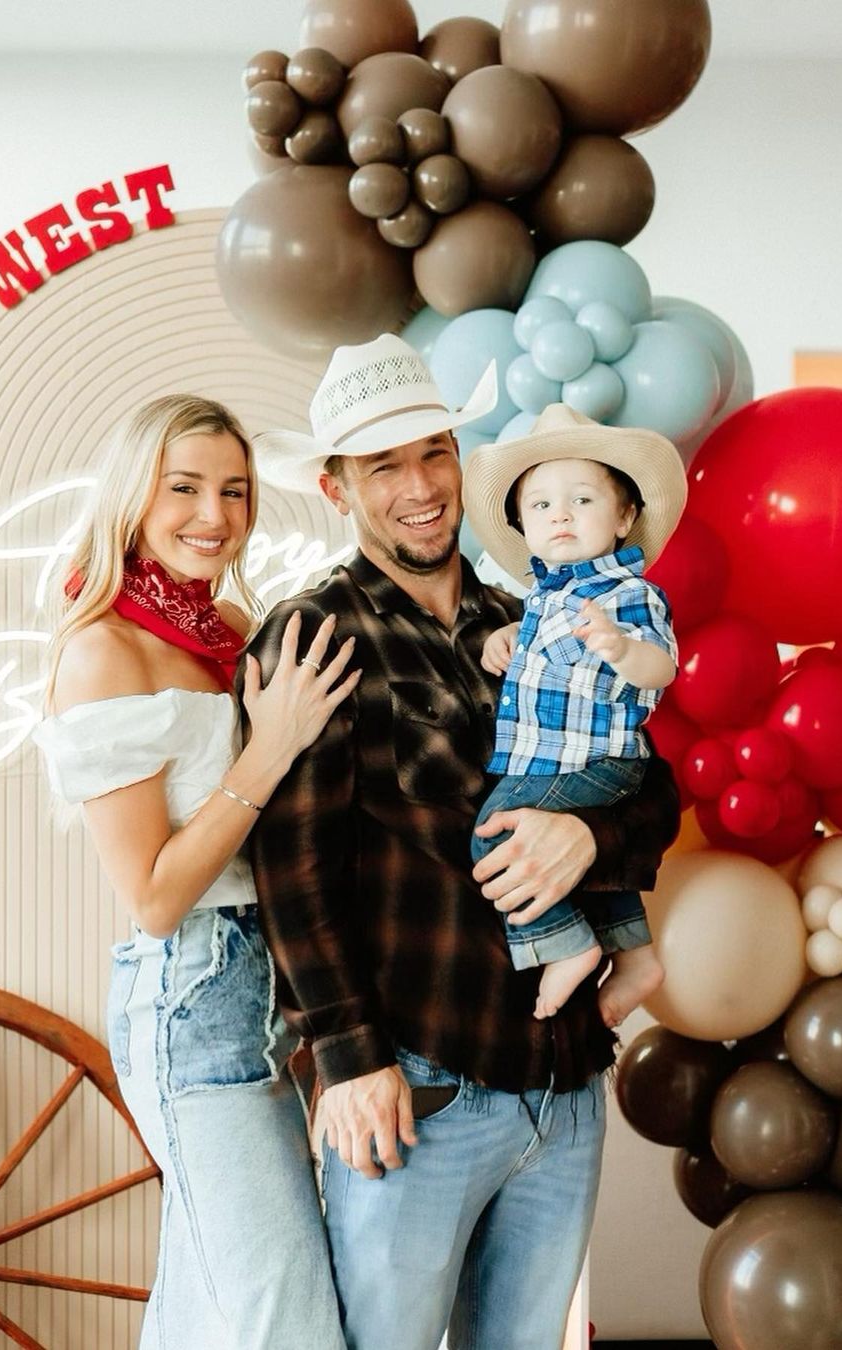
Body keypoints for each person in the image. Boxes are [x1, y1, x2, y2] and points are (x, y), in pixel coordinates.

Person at [247, 336, 681, 1350]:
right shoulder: (315, 637)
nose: (419, 488)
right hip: (423, 1089)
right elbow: (294, 866)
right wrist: (350, 1061)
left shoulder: (535, 617)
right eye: (383, 466)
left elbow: (654, 785)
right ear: (336, 487)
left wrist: (589, 838)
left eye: (434, 453)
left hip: (565, 1088)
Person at [33, 394, 354, 1350]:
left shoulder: (229, 630)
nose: (214, 516)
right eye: (184, 488)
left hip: (273, 986)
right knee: (283, 1324)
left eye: (236, 491)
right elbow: (158, 894)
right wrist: (276, 743)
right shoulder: (105, 653)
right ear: (136, 497)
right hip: (194, 997)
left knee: (205, 1313)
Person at [462, 404, 686, 1026]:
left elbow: (662, 667)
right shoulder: (543, 598)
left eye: (582, 500)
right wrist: (504, 638)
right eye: (540, 505)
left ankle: (568, 946)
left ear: (625, 516)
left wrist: (622, 647)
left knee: (494, 830)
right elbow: (545, 646)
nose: (559, 514)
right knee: (582, 868)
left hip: (590, 758)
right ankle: (635, 956)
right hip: (562, 759)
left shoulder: (628, 593)